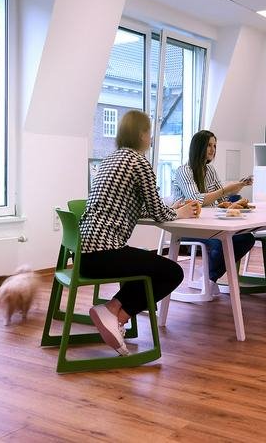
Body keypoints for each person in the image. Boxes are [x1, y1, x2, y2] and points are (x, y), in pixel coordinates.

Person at [80, 110, 197, 356]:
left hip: (85, 256)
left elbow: (140, 203)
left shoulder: (111, 159)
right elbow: (158, 213)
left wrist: (172, 208)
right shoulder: (139, 162)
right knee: (172, 272)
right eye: (150, 133)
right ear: (142, 134)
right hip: (106, 254)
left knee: (147, 266)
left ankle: (113, 314)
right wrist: (182, 213)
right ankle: (114, 314)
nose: (151, 138)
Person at [171, 130, 255, 293]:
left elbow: (218, 200)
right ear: (198, 147)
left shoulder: (210, 171)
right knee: (221, 242)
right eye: (209, 145)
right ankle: (209, 278)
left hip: (208, 223)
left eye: (214, 146)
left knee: (246, 238)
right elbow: (197, 200)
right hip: (187, 226)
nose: (212, 149)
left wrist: (235, 192)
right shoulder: (184, 171)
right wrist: (225, 190)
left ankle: (209, 276)